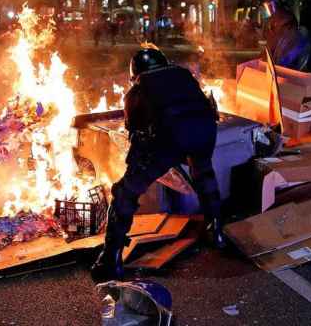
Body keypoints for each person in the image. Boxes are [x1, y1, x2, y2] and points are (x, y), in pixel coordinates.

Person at [91, 47, 225, 282]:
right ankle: (216, 230)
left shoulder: (138, 90)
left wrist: (136, 167)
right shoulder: (184, 76)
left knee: (125, 193)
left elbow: (136, 133)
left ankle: (110, 259)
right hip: (204, 133)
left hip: (170, 139)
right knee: (204, 175)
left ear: (136, 72)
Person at [264, 0, 311, 70]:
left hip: (288, 59)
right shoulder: (275, 19)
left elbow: (279, 42)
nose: (269, 8)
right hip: (284, 59)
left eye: (270, 5)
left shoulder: (283, 18)